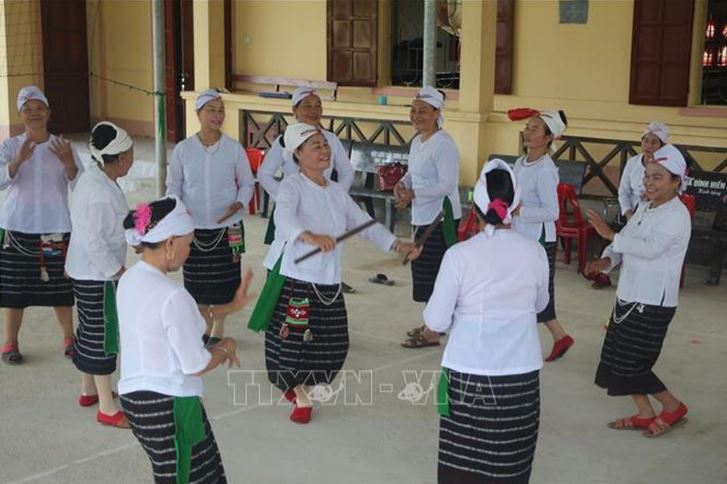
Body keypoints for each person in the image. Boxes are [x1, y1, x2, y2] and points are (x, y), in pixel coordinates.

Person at [254, 123, 419, 424]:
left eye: (325, 145)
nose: (324, 150)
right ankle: (299, 395)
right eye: (315, 146)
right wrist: (307, 236)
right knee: (294, 344)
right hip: (298, 278)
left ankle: (297, 386)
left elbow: (363, 223)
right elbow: (284, 216)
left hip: (328, 280)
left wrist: (396, 244)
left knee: (334, 344)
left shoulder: (336, 192)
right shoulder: (292, 186)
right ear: (297, 155)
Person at [425, 159, 548, 484]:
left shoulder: (459, 255)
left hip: (468, 375)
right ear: (518, 206)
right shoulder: (535, 252)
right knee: (509, 464)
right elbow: (540, 305)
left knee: (462, 467)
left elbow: (436, 321)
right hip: (519, 377)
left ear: (474, 208)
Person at [118, 196, 254, 483]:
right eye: (188, 243)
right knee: (195, 478)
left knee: (180, 474)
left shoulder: (131, 279)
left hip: (137, 401)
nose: (189, 251)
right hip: (170, 404)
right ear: (170, 244)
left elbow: (185, 317)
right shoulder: (173, 295)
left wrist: (231, 307)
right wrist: (224, 347)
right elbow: (195, 363)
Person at [585, 144, 691, 438]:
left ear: (676, 181)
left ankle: (673, 406)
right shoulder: (645, 207)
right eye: (647, 176)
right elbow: (625, 242)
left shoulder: (677, 215)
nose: (649, 183)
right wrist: (606, 260)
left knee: (634, 364)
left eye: (658, 177)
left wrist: (610, 235)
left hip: (653, 302)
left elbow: (650, 249)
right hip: (628, 295)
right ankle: (646, 413)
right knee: (617, 358)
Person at [0, 86, 84, 364]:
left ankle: (69, 339)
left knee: (58, 288)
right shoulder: (10, 146)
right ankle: (10, 343)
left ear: (49, 112)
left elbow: (80, 185)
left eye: (39, 108)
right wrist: (18, 161)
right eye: (28, 109)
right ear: (20, 114)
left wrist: (69, 163)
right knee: (14, 291)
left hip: (53, 230)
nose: (34, 113)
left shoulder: (63, 146)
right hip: (16, 230)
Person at [166, 89, 255, 346]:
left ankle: (217, 329)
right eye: (211, 110)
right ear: (198, 114)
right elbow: (173, 188)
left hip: (227, 227)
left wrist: (238, 203)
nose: (217, 116)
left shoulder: (233, 148)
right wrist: (180, 210)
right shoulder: (184, 150)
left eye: (220, 111)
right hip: (193, 229)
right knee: (197, 284)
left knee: (225, 283)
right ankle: (201, 326)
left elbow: (248, 183)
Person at [65, 122, 134, 427]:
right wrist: (118, 271)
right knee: (103, 336)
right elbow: (95, 241)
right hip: (98, 274)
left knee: (89, 329)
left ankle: (88, 390)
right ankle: (107, 408)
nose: (132, 159)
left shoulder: (97, 178)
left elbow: (123, 220)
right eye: (130, 154)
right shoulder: (98, 192)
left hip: (86, 270)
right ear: (118, 158)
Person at [257, 87, 356, 292]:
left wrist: (336, 197)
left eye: (318, 105)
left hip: (323, 208)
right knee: (288, 251)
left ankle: (323, 286)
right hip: (292, 208)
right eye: (307, 106)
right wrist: (285, 197)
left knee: (323, 250)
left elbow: (346, 171)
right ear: (295, 110)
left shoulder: (330, 139)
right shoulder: (284, 141)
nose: (314, 110)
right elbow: (264, 174)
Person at [395, 87, 461, 349]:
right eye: (413, 110)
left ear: (437, 113)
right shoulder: (417, 141)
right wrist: (401, 184)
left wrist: (413, 193)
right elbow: (413, 173)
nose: (416, 115)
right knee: (423, 272)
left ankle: (434, 330)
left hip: (440, 218)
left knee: (436, 274)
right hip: (421, 214)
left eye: (422, 111)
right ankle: (432, 323)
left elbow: (447, 185)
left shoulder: (444, 145)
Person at [508, 108, 575, 362]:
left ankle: (534, 341)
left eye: (534, 129)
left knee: (534, 292)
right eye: (527, 127)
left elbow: (552, 212)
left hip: (538, 239)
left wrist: (519, 210)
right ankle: (560, 337)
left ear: (548, 138)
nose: (527, 132)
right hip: (520, 235)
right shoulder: (520, 162)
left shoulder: (546, 170)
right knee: (529, 292)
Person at [586, 121, 670, 289]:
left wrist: (650, 202)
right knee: (625, 234)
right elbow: (623, 191)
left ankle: (606, 265)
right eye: (646, 141)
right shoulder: (633, 163)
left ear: (662, 146)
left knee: (628, 239)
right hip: (630, 213)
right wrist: (629, 212)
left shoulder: (667, 167)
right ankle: (605, 268)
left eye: (654, 142)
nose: (649, 145)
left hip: (653, 215)